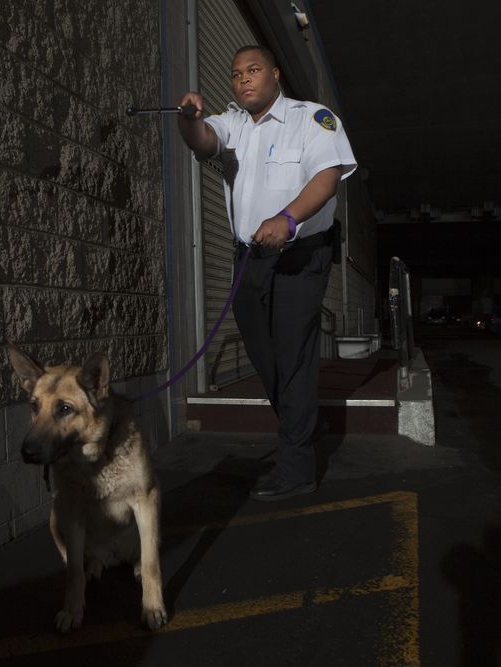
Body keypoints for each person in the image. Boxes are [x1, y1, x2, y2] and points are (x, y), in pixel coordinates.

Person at [177, 45, 357, 501]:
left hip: (301, 256)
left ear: (275, 74)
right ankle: (305, 423)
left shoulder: (311, 119)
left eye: (253, 71)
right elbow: (201, 140)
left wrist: (289, 219)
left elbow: (327, 176)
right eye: (236, 74)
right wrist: (188, 117)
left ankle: (296, 469)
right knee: (264, 353)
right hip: (250, 259)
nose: (244, 80)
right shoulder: (232, 123)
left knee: (294, 357)